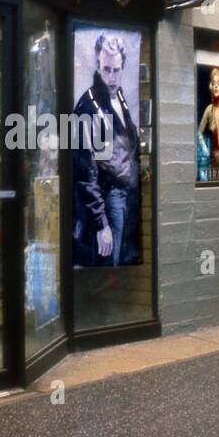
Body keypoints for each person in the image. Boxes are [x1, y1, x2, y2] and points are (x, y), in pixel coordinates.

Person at [74, 32, 140, 266]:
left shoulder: (118, 97)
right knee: (106, 272)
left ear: (123, 67)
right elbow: (85, 171)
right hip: (107, 200)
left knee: (115, 272)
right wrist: (101, 223)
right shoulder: (89, 107)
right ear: (98, 66)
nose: (111, 77)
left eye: (117, 70)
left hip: (122, 197)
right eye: (106, 70)